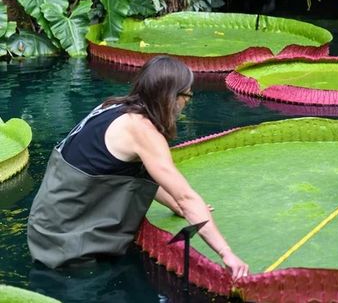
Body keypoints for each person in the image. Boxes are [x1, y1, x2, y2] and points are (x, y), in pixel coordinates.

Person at [27, 55, 249, 280]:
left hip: (44, 226)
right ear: (171, 97)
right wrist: (226, 253)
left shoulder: (113, 107)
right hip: (66, 243)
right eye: (187, 96)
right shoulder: (142, 131)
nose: (187, 103)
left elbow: (140, 174)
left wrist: (175, 206)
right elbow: (187, 198)